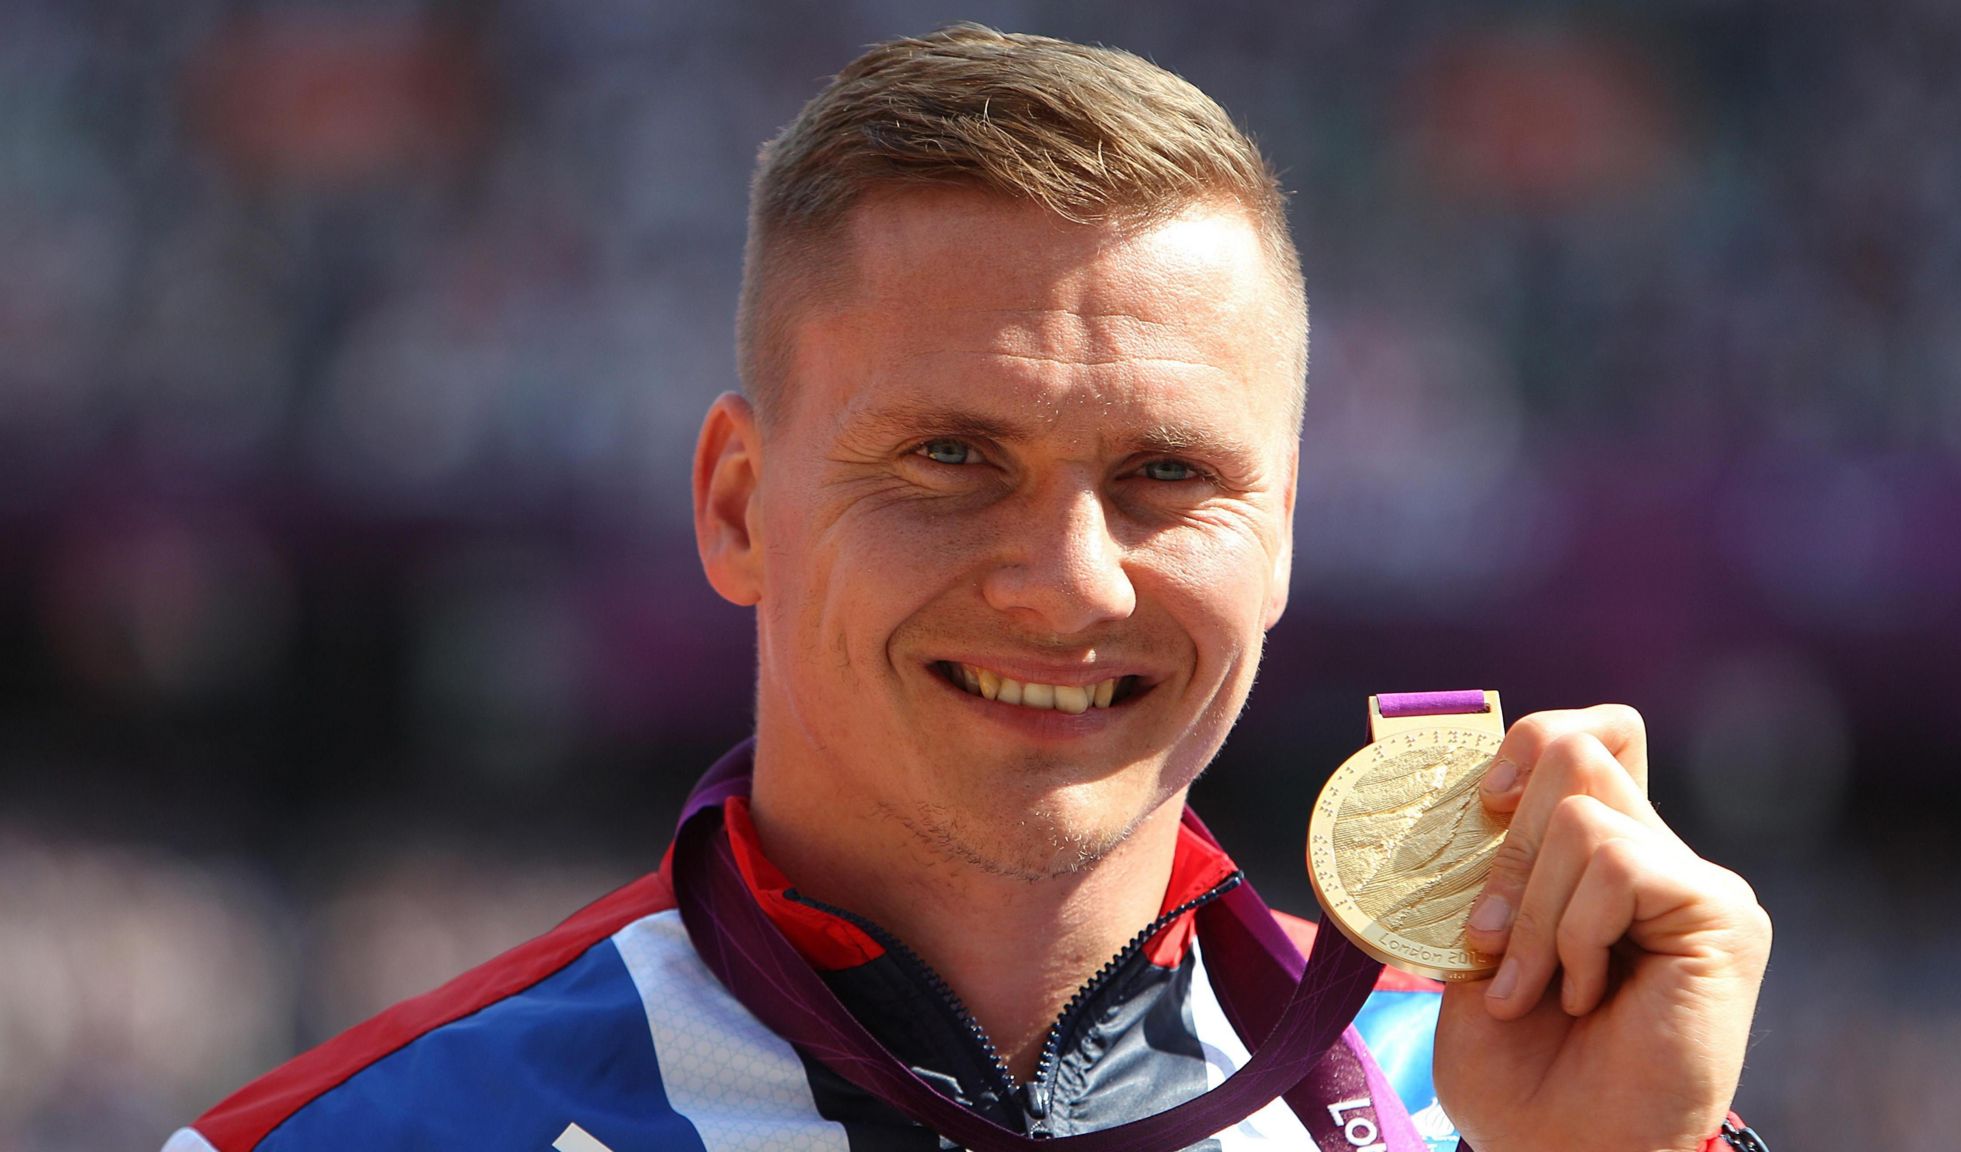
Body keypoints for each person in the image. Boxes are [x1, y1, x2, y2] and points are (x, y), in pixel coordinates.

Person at [165, 24, 1771, 1152]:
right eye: (949, 456)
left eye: (1166, 476)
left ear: (1285, 530)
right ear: (739, 506)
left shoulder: (1490, 1106)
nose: (1067, 583)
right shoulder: (359, 1140)